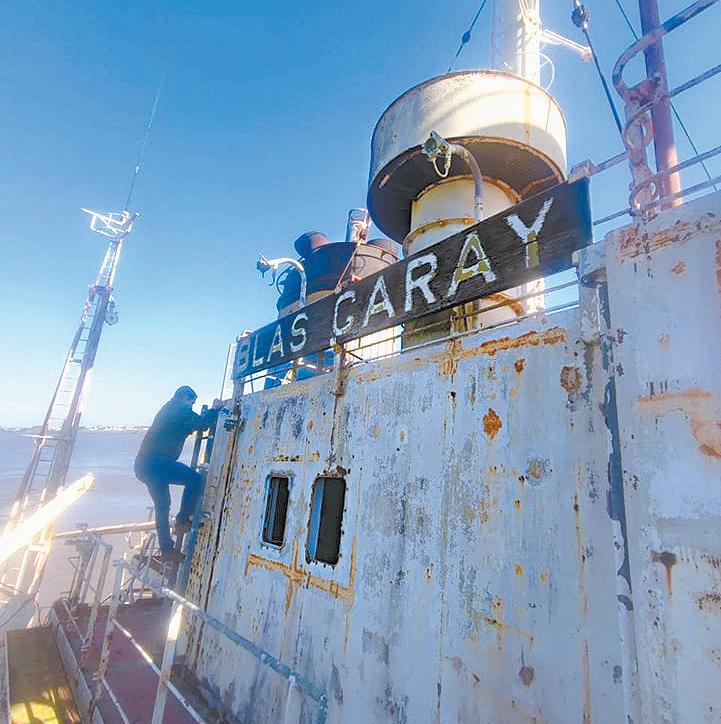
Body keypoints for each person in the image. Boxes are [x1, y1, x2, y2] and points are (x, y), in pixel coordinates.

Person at [135, 386, 222, 563]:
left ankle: (167, 550)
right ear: (185, 398)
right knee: (195, 479)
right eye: (192, 402)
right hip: (156, 462)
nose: (192, 405)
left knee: (163, 506)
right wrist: (214, 409)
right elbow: (201, 424)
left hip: (143, 465)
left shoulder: (168, 410)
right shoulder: (180, 409)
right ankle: (182, 521)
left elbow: (187, 426)